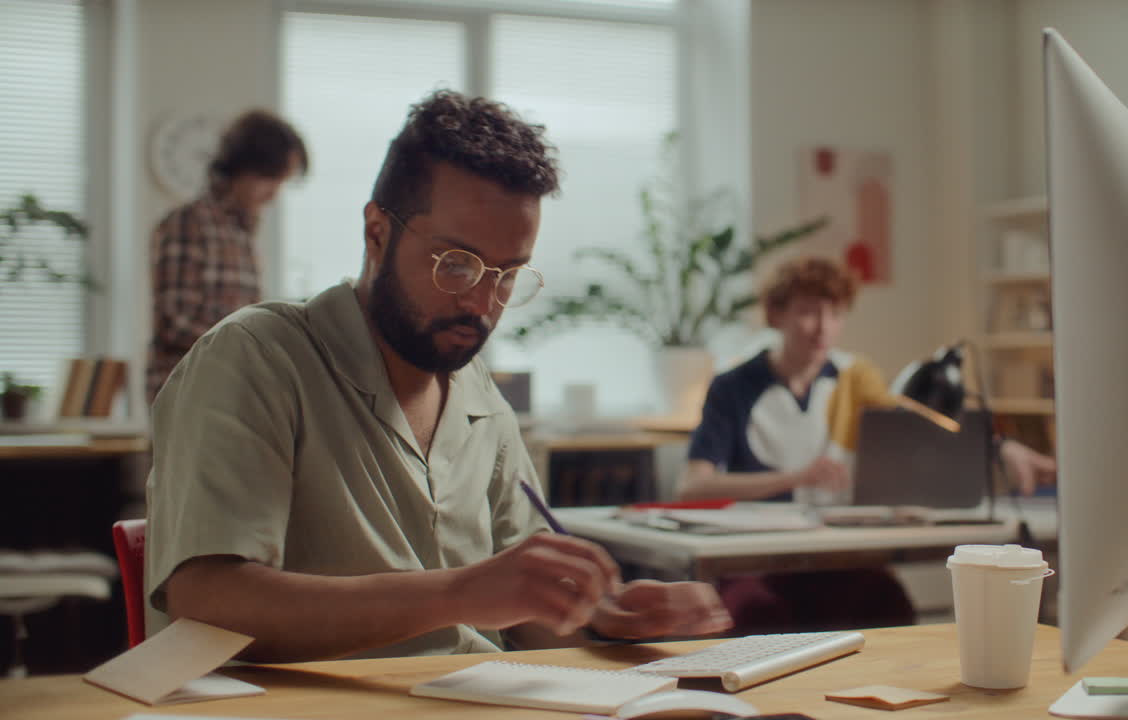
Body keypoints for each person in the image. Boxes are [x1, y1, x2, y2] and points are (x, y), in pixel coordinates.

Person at [145, 90, 730, 663]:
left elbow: (530, 616)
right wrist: (456, 594)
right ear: (377, 232)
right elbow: (207, 605)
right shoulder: (256, 359)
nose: (481, 304)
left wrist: (610, 618)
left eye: (507, 275)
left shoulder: (481, 401)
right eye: (456, 263)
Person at [678, 255, 1057, 634]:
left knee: (888, 605)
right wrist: (795, 478)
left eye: (835, 314)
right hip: (756, 558)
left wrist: (1001, 447)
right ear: (776, 315)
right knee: (757, 613)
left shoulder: (855, 376)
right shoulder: (732, 387)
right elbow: (694, 485)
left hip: (835, 556)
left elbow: (922, 430)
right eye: (808, 313)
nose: (823, 328)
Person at [146, 109, 309, 403]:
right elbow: (176, 322)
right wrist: (256, 346)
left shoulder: (242, 234)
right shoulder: (188, 223)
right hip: (188, 397)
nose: (274, 195)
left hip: (229, 391)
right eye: (270, 179)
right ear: (241, 167)